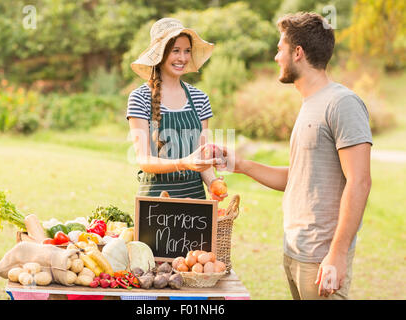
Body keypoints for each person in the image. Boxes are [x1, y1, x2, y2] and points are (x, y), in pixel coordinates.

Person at [216, 12, 372, 300]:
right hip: (295, 252)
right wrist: (240, 164)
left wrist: (336, 255)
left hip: (322, 258)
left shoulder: (342, 103)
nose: (276, 57)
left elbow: (359, 182)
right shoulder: (310, 104)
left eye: (280, 49)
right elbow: (300, 177)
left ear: (297, 53)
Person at [127, 17, 227, 202]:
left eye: (187, 51)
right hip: (155, 204)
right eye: (176, 51)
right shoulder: (140, 97)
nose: (183, 58)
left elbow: (202, 156)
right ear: (160, 54)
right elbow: (144, 160)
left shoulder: (200, 98)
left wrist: (213, 182)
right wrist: (183, 163)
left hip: (195, 202)